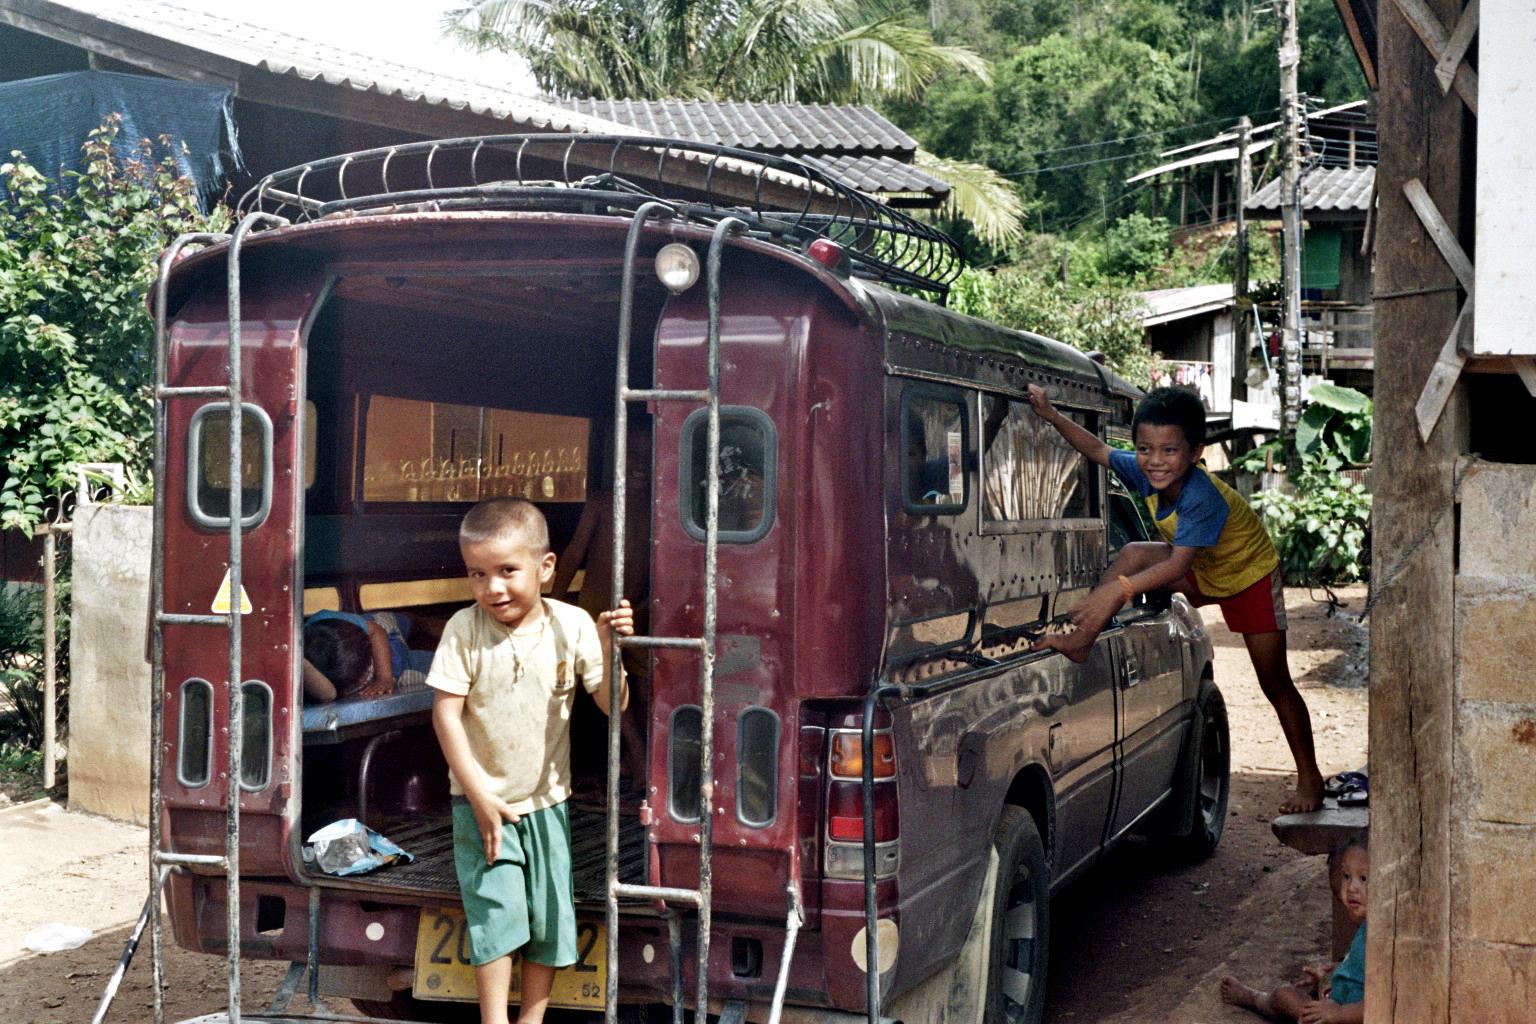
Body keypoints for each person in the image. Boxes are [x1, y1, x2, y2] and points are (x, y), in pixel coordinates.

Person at [1025, 384, 1325, 813]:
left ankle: (1310, 779)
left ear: (1196, 452)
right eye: (1145, 449)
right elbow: (1095, 449)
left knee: (1274, 681)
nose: (1155, 461)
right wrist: (1051, 415)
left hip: (1247, 576)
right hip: (1203, 567)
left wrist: (1120, 589)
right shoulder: (1146, 472)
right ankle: (1083, 638)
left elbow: (1176, 568)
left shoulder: (1202, 497)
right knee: (1130, 554)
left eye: (1169, 451)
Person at [427, 496, 633, 1024]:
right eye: (478, 574)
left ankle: (532, 1020)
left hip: (548, 803)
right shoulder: (464, 631)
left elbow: (612, 704)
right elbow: (446, 716)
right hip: (481, 802)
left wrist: (611, 650)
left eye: (507, 571)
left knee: (548, 918)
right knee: (496, 914)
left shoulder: (575, 624)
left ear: (545, 568)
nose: (492, 588)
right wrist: (478, 795)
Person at [1219, 835, 1368, 1022]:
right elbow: (1360, 967)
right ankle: (1256, 998)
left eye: (1363, 878)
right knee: (1288, 994)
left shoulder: (1388, 940)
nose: (1351, 887)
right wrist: (1335, 973)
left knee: (1285, 997)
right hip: (1339, 1003)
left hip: (1354, 1016)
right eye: (1347, 876)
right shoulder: (1367, 925)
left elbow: (1385, 1000)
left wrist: (1340, 1014)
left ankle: (1254, 999)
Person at [300, 609, 433, 702]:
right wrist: (388, 679)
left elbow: (376, 630)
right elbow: (328, 695)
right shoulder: (316, 682)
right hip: (399, 666)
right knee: (437, 668)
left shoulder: (324, 618)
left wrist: (384, 678)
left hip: (379, 629)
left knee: (413, 622)